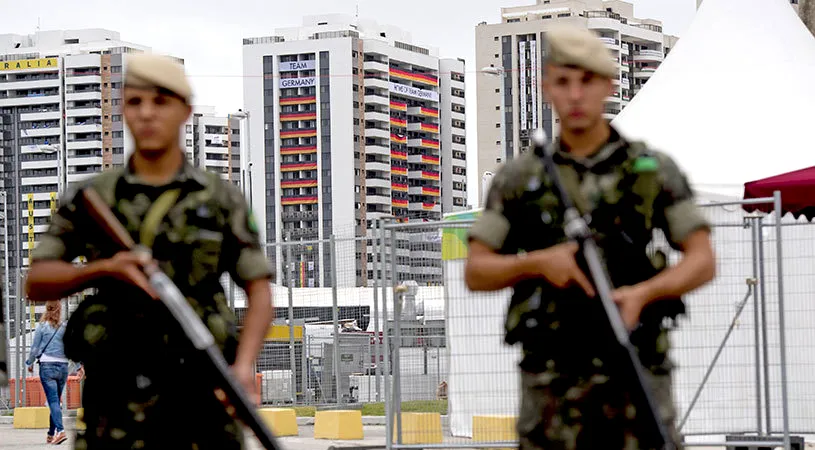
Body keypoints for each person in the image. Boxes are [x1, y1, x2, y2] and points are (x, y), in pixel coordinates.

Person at [464, 24, 717, 450]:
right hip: (552, 383)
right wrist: (537, 262)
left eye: (587, 81)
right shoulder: (519, 178)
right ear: (546, 88)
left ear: (608, 85)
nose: (575, 95)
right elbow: (476, 270)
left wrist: (643, 294)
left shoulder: (650, 170)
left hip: (635, 372)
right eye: (563, 82)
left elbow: (702, 259)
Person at [25, 53, 275, 449]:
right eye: (135, 102)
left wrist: (243, 367)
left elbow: (259, 290)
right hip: (115, 403)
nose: (147, 114)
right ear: (123, 109)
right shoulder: (92, 198)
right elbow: (37, 282)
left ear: (185, 111)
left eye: (161, 101)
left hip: (201, 396)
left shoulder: (220, 198)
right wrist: (105, 269)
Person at [26, 300, 70, 445]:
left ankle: (61, 430)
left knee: (52, 401)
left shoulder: (42, 327)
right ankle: (51, 434)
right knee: (55, 400)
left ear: (47, 309)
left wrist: (30, 362)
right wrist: (79, 366)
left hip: (47, 366)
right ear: (60, 310)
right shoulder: (65, 327)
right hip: (63, 367)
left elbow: (34, 348)